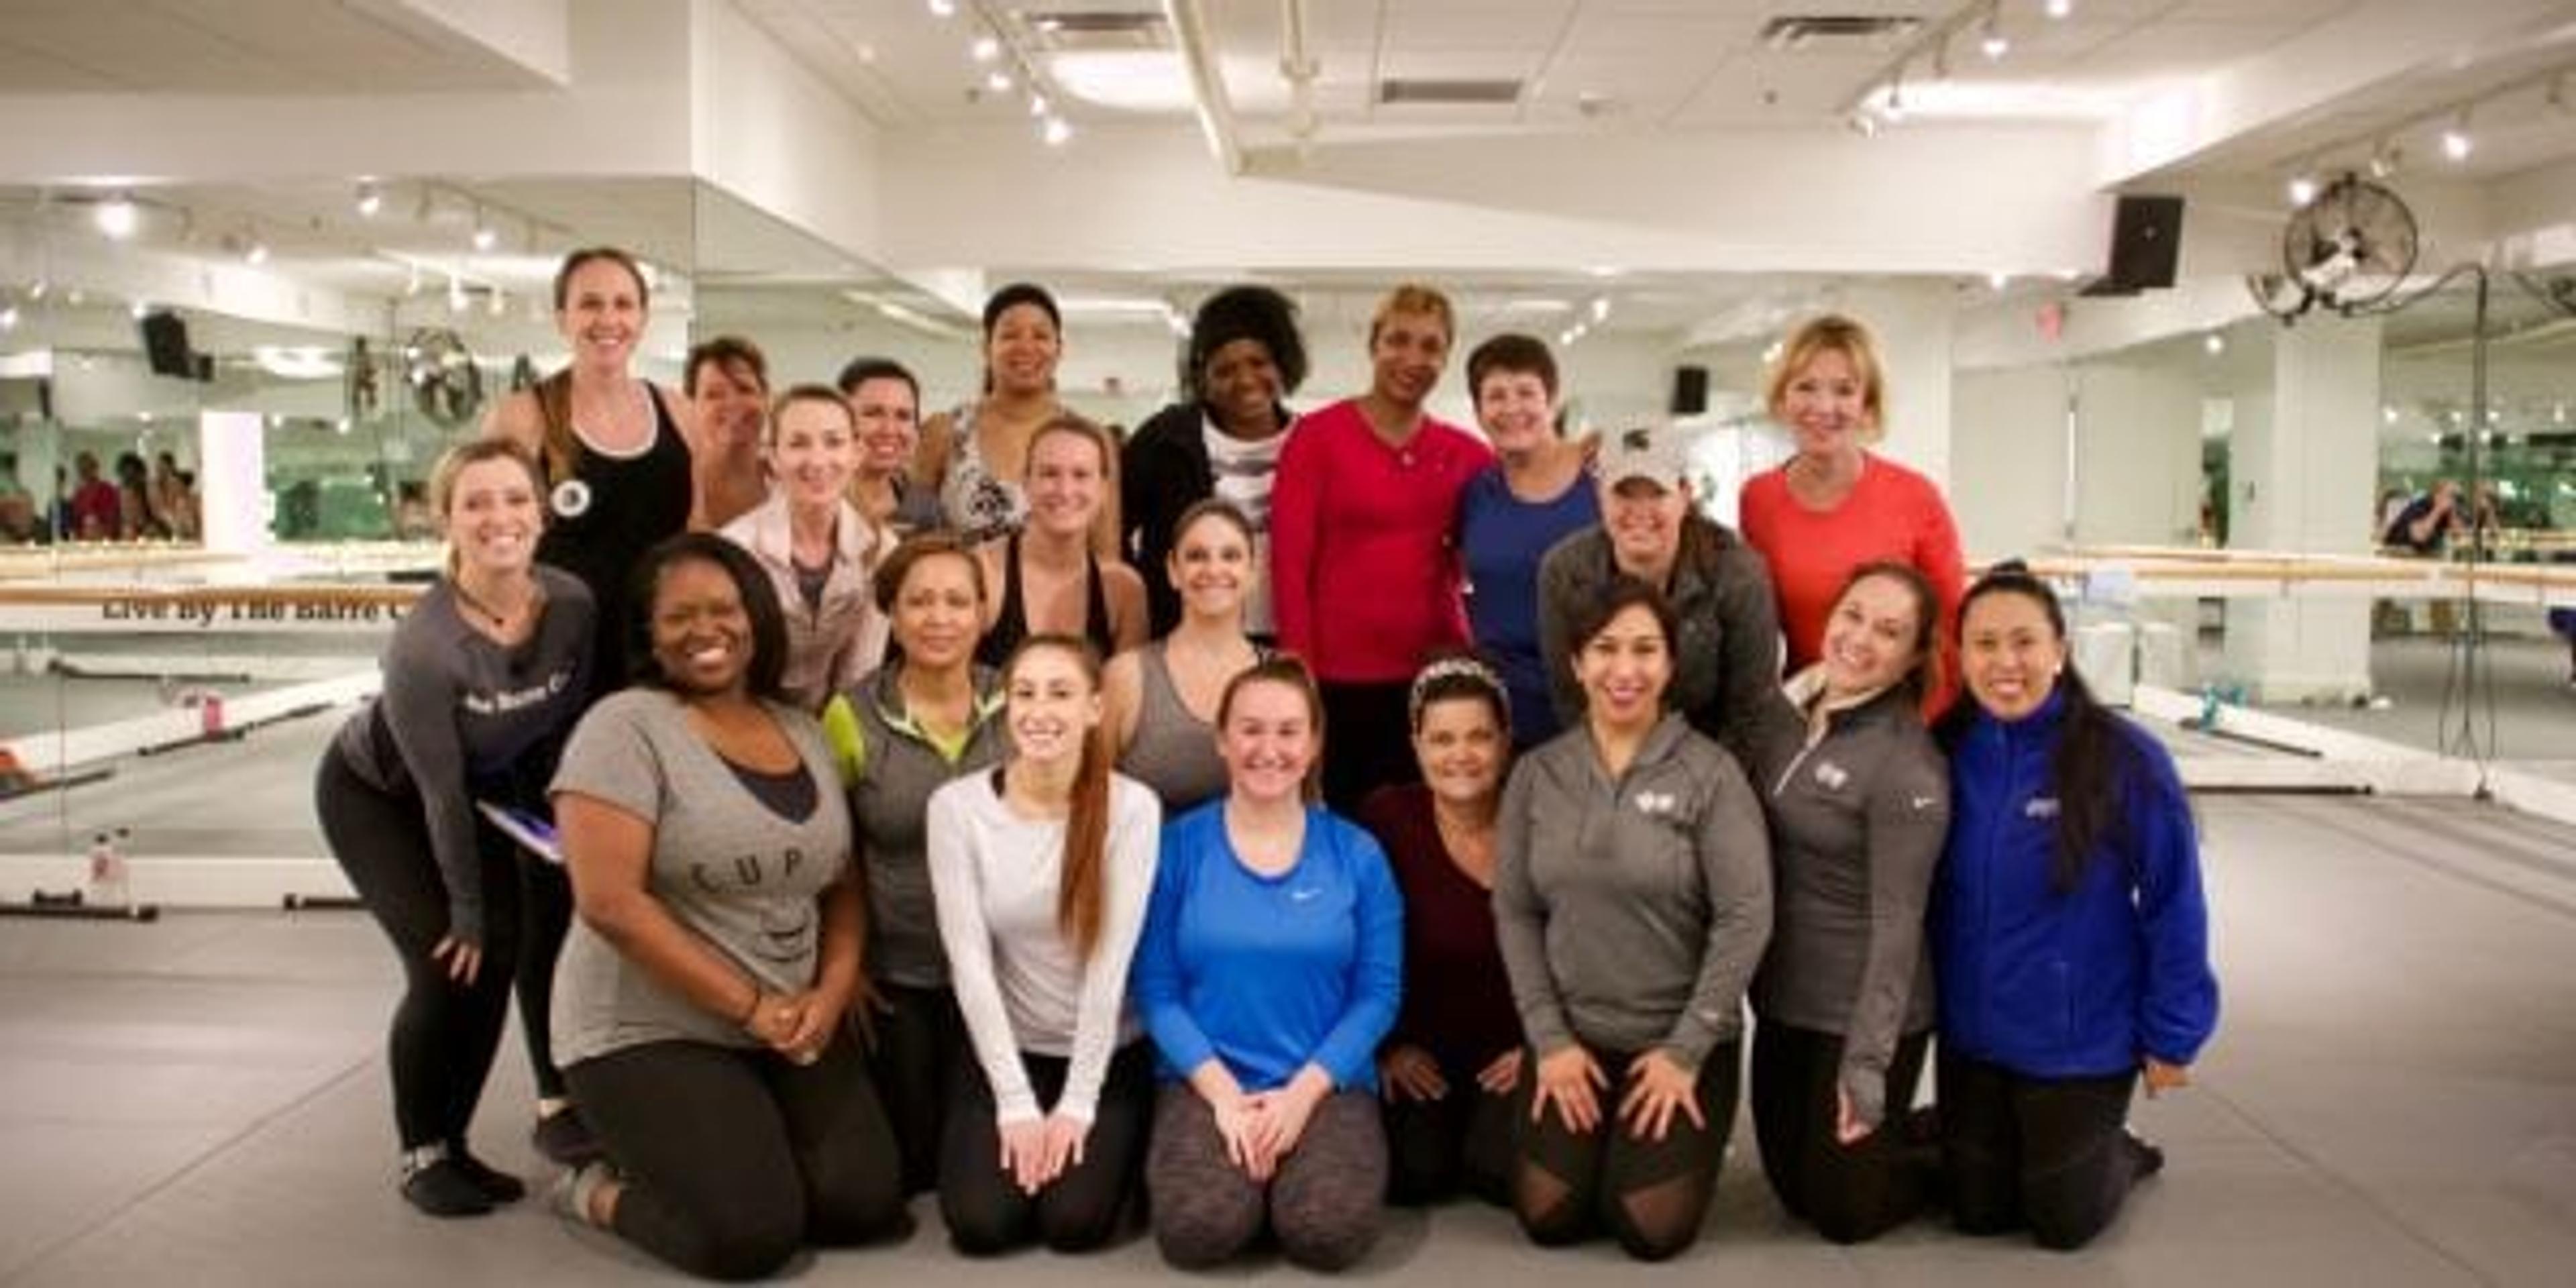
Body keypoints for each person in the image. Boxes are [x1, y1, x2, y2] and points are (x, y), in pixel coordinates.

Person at [547, 533, 908, 1279]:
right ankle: (593, 1188)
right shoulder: (623, 727)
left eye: (724, 609)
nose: (706, 630)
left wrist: (833, 993)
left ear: (756, 619)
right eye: (679, 616)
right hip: (648, 1025)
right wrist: (748, 1007)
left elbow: (841, 883)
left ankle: (729, 1142)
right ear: (648, 631)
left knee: (863, 1205)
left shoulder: (803, 729)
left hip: (787, 1020)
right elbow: (608, 902)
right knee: (749, 1237)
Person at [314, 440, 594, 1218]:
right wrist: (467, 911)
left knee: (498, 966)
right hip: (381, 798)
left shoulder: (572, 604)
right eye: (475, 503)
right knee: (451, 965)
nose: (499, 517)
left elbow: (563, 732)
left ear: (541, 511)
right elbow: (437, 793)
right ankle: (421, 1151)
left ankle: (460, 1147)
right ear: (446, 520)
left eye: (514, 498)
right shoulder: (425, 647)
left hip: (488, 793)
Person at [483, 245, 702, 1163]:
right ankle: (551, 1089)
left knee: (647, 885)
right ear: (562, 314)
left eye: (623, 304)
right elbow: (495, 546)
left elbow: (688, 543)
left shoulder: (676, 410)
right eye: (589, 304)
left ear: (644, 316)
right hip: (555, 686)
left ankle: (643, 1062)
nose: (607, 319)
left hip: (648, 680)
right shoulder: (531, 414)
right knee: (555, 891)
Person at [1934, 561, 2220, 1251]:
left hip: (2078, 1041)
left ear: (2060, 651)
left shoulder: (2123, 758)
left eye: (2025, 642)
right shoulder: (1943, 751)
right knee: (1976, 1212)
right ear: (1960, 654)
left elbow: (2174, 898)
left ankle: (2120, 1146)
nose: (2007, 663)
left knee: (2061, 1224)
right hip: (1973, 1038)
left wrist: (2173, 1033)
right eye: (1985, 644)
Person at [1493, 578, 1773, 1263]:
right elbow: (1516, 910)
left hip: (1678, 1043)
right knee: (1549, 1219)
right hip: (1572, 1042)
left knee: (1648, 1230)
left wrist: (1684, 1053)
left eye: (1646, 650)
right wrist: (1549, 1040)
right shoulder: (1536, 774)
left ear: (1671, 666)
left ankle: (1650, 1132)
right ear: (1576, 662)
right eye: (1606, 649)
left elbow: (1746, 916)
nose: (1626, 670)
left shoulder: (1711, 774)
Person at [1133, 657, 1402, 1271]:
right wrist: (1226, 1098)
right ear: (1222, 741)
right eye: (1251, 730)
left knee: (1325, 1233)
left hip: (1324, 1081)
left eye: (1288, 732)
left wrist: (1299, 1099)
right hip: (1206, 1080)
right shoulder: (1178, 849)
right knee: (1197, 1230)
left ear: (1312, 747)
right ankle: (1248, 1186)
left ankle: (1281, 1183)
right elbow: (1157, 989)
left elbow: (1378, 995)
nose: (1269, 749)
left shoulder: (1357, 854)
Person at [925, 635, 1162, 1254]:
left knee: (1073, 1224)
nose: (1040, 711)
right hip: (1010, 1045)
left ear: (1093, 708)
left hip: (1108, 1049)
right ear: (1005, 706)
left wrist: (1079, 1103)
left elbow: (1109, 969)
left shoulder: (1134, 808)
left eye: (1061, 693)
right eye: (1024, 694)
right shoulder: (956, 808)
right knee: (982, 1226)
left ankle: (1127, 1146)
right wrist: (1015, 1102)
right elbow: (970, 965)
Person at [1741, 562, 1950, 1244]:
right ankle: (1898, 1130)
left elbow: (1899, 926)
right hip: (1784, 1000)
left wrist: (1866, 1064)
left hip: (1863, 1008)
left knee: (1843, 1216)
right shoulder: (1782, 713)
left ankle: (1969, 1149)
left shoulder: (1905, 765)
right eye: (1853, 614)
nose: (1860, 639)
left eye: (1889, 632)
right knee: (1790, 1193)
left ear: (1915, 655)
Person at [1271, 282, 1494, 811]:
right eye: (1399, 340)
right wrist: (1299, 675)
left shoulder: (1465, 454)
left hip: (1431, 675)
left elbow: (1516, 510)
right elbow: (1289, 562)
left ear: (1446, 357)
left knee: (1425, 826)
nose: (1413, 358)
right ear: (1374, 345)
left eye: (1431, 346)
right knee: (1349, 824)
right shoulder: (1318, 438)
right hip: (1337, 680)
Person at [835, 532, 1010, 1195]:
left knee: (978, 1177)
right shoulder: (852, 715)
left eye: (957, 601)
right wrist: (845, 967)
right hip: (897, 972)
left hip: (1001, 974)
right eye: (920, 602)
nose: (940, 618)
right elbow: (838, 851)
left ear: (982, 612)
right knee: (909, 1170)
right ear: (893, 612)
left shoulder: (1017, 700)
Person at [1359, 654, 1523, 1207]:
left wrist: (1544, 1046)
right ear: (1417, 745)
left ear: (1504, 741)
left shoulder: (1539, 816)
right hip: (1421, 1055)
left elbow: (1585, 945)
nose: (1461, 755)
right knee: (1414, 1178)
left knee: (1500, 1176)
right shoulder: (1387, 819)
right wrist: (1385, 1050)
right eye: (1442, 739)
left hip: (1514, 1052)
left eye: (1479, 736)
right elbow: (1349, 946)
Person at [1737, 315, 1967, 699]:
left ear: (1868, 406)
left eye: (1844, 390)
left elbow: (1950, 630)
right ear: (1783, 399)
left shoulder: (1916, 497)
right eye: (1806, 387)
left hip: (1900, 717)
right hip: (1807, 712)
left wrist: (1919, 726)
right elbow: (1760, 626)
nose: (1823, 406)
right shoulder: (1758, 499)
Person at [1535, 423, 1780, 761]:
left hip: (1714, 762)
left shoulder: (1737, 572)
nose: (1640, 510)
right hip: (1604, 760)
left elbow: (1752, 710)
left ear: (1684, 495)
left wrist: (1700, 792)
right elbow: (1570, 702)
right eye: (1624, 493)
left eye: (1657, 493)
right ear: (1600, 496)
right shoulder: (1565, 571)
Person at [1122, 285, 1307, 639]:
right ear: (1202, 378)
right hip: (1186, 640)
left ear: (1282, 362)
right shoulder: (1166, 439)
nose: (1245, 380)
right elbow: (1112, 530)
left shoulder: (1313, 442)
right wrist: (1145, 601)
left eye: (1259, 362)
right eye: (1225, 370)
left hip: (1288, 643)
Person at [1456, 333, 1597, 750]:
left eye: (1526, 392)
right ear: (1479, 411)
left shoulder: (1600, 478)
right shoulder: (1478, 492)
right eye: (1496, 395)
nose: (1512, 408)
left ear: (1551, 401)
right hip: (1500, 708)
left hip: (1589, 701)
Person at [720, 385, 885, 711]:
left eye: (834, 442)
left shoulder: (880, 547)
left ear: (857, 453)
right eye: (798, 444)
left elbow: (860, 670)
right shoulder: (733, 548)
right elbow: (724, 669)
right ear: (772, 456)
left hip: (825, 718)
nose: (817, 460)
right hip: (742, 711)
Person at [919, 283, 1117, 551]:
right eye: (1010, 335)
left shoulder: (1091, 440)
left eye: (1041, 336)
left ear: (1059, 349)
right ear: (986, 348)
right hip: (968, 592)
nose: (1026, 346)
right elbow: (914, 544)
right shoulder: (944, 431)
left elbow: (1107, 553)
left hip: (1066, 593)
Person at [1105, 499, 1267, 816]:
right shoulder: (1126, 677)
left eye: (1231, 556)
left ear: (1252, 573)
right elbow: (1091, 803)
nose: (1213, 569)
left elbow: (1307, 806)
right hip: (1149, 864)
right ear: (1172, 571)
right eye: (1196, 556)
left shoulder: (1284, 679)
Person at [974, 414, 1146, 669]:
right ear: (1026, 483)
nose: (1065, 490)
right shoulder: (982, 570)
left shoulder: (1124, 590)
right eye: (1049, 474)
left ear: (1104, 490)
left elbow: (1126, 700)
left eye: (1081, 475)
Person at [839, 356, 943, 535]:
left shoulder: (925, 509)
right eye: (873, 413)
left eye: (903, 416)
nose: (889, 429)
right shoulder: (812, 500)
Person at [688, 335, 772, 531]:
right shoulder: (675, 483)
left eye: (745, 389)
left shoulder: (788, 484)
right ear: (692, 405)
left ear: (767, 398)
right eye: (714, 394)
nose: (732, 404)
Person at [2382, 478, 2462, 554]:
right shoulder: (2420, 507)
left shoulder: (2447, 513)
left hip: (2420, 555)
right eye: (2449, 495)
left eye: (2454, 497)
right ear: (2436, 495)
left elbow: (2458, 536)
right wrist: (2437, 511)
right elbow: (2419, 537)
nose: (2451, 500)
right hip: (2396, 551)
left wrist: (2452, 514)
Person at [68, 451, 119, 540]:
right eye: (82, 470)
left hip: (103, 537)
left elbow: (112, 519)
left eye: (88, 468)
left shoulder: (107, 490)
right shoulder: (78, 495)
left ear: (95, 468)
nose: (85, 473)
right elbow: (75, 522)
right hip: (83, 540)